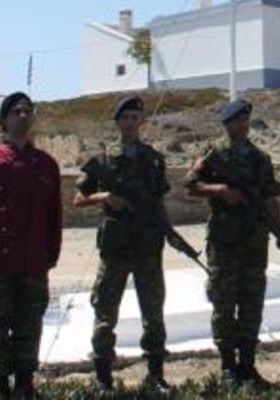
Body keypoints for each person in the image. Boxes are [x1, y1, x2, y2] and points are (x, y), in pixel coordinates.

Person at [0, 92, 62, 400]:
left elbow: (54, 213)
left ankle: (25, 384)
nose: (23, 116)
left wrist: (52, 251)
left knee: (29, 326)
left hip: (33, 261)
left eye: (27, 111)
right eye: (16, 111)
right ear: (4, 121)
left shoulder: (46, 164)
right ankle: (0, 389)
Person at [73, 94, 172, 393]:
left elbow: (159, 202)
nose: (130, 123)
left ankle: (155, 375)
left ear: (141, 122)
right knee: (105, 312)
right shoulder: (102, 161)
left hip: (146, 246)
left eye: (135, 117)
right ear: (117, 122)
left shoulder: (154, 160)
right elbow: (78, 198)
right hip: (115, 248)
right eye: (125, 117)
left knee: (153, 312)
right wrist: (104, 197)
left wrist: (169, 231)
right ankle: (103, 378)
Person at [184, 98, 280, 387]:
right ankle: (228, 367)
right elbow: (191, 186)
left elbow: (268, 199)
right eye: (235, 121)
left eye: (244, 121)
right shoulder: (212, 154)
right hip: (224, 241)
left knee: (252, 303)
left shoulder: (260, 158)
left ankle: (248, 366)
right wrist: (219, 190)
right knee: (224, 304)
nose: (241, 125)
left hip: (254, 241)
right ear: (226, 124)